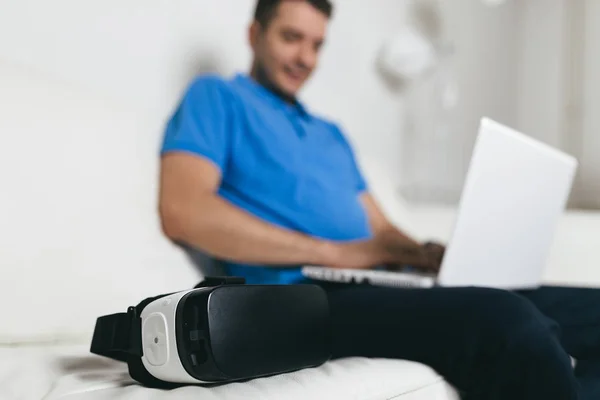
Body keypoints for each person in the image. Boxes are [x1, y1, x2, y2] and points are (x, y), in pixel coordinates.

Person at [157, 1, 600, 398]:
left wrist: (422, 254)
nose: (305, 58)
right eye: (291, 38)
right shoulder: (217, 98)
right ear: (254, 35)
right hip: (306, 298)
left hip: (383, 280)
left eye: (317, 44)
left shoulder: (329, 134)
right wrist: (338, 254)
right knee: (511, 321)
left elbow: (381, 228)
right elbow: (184, 212)